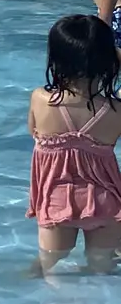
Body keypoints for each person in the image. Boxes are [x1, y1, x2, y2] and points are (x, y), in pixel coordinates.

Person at [28, 14, 121, 274]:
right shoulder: (116, 110)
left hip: (56, 199)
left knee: (48, 268)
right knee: (102, 269)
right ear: (108, 59)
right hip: (105, 200)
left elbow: (32, 132)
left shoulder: (40, 100)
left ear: (56, 59)